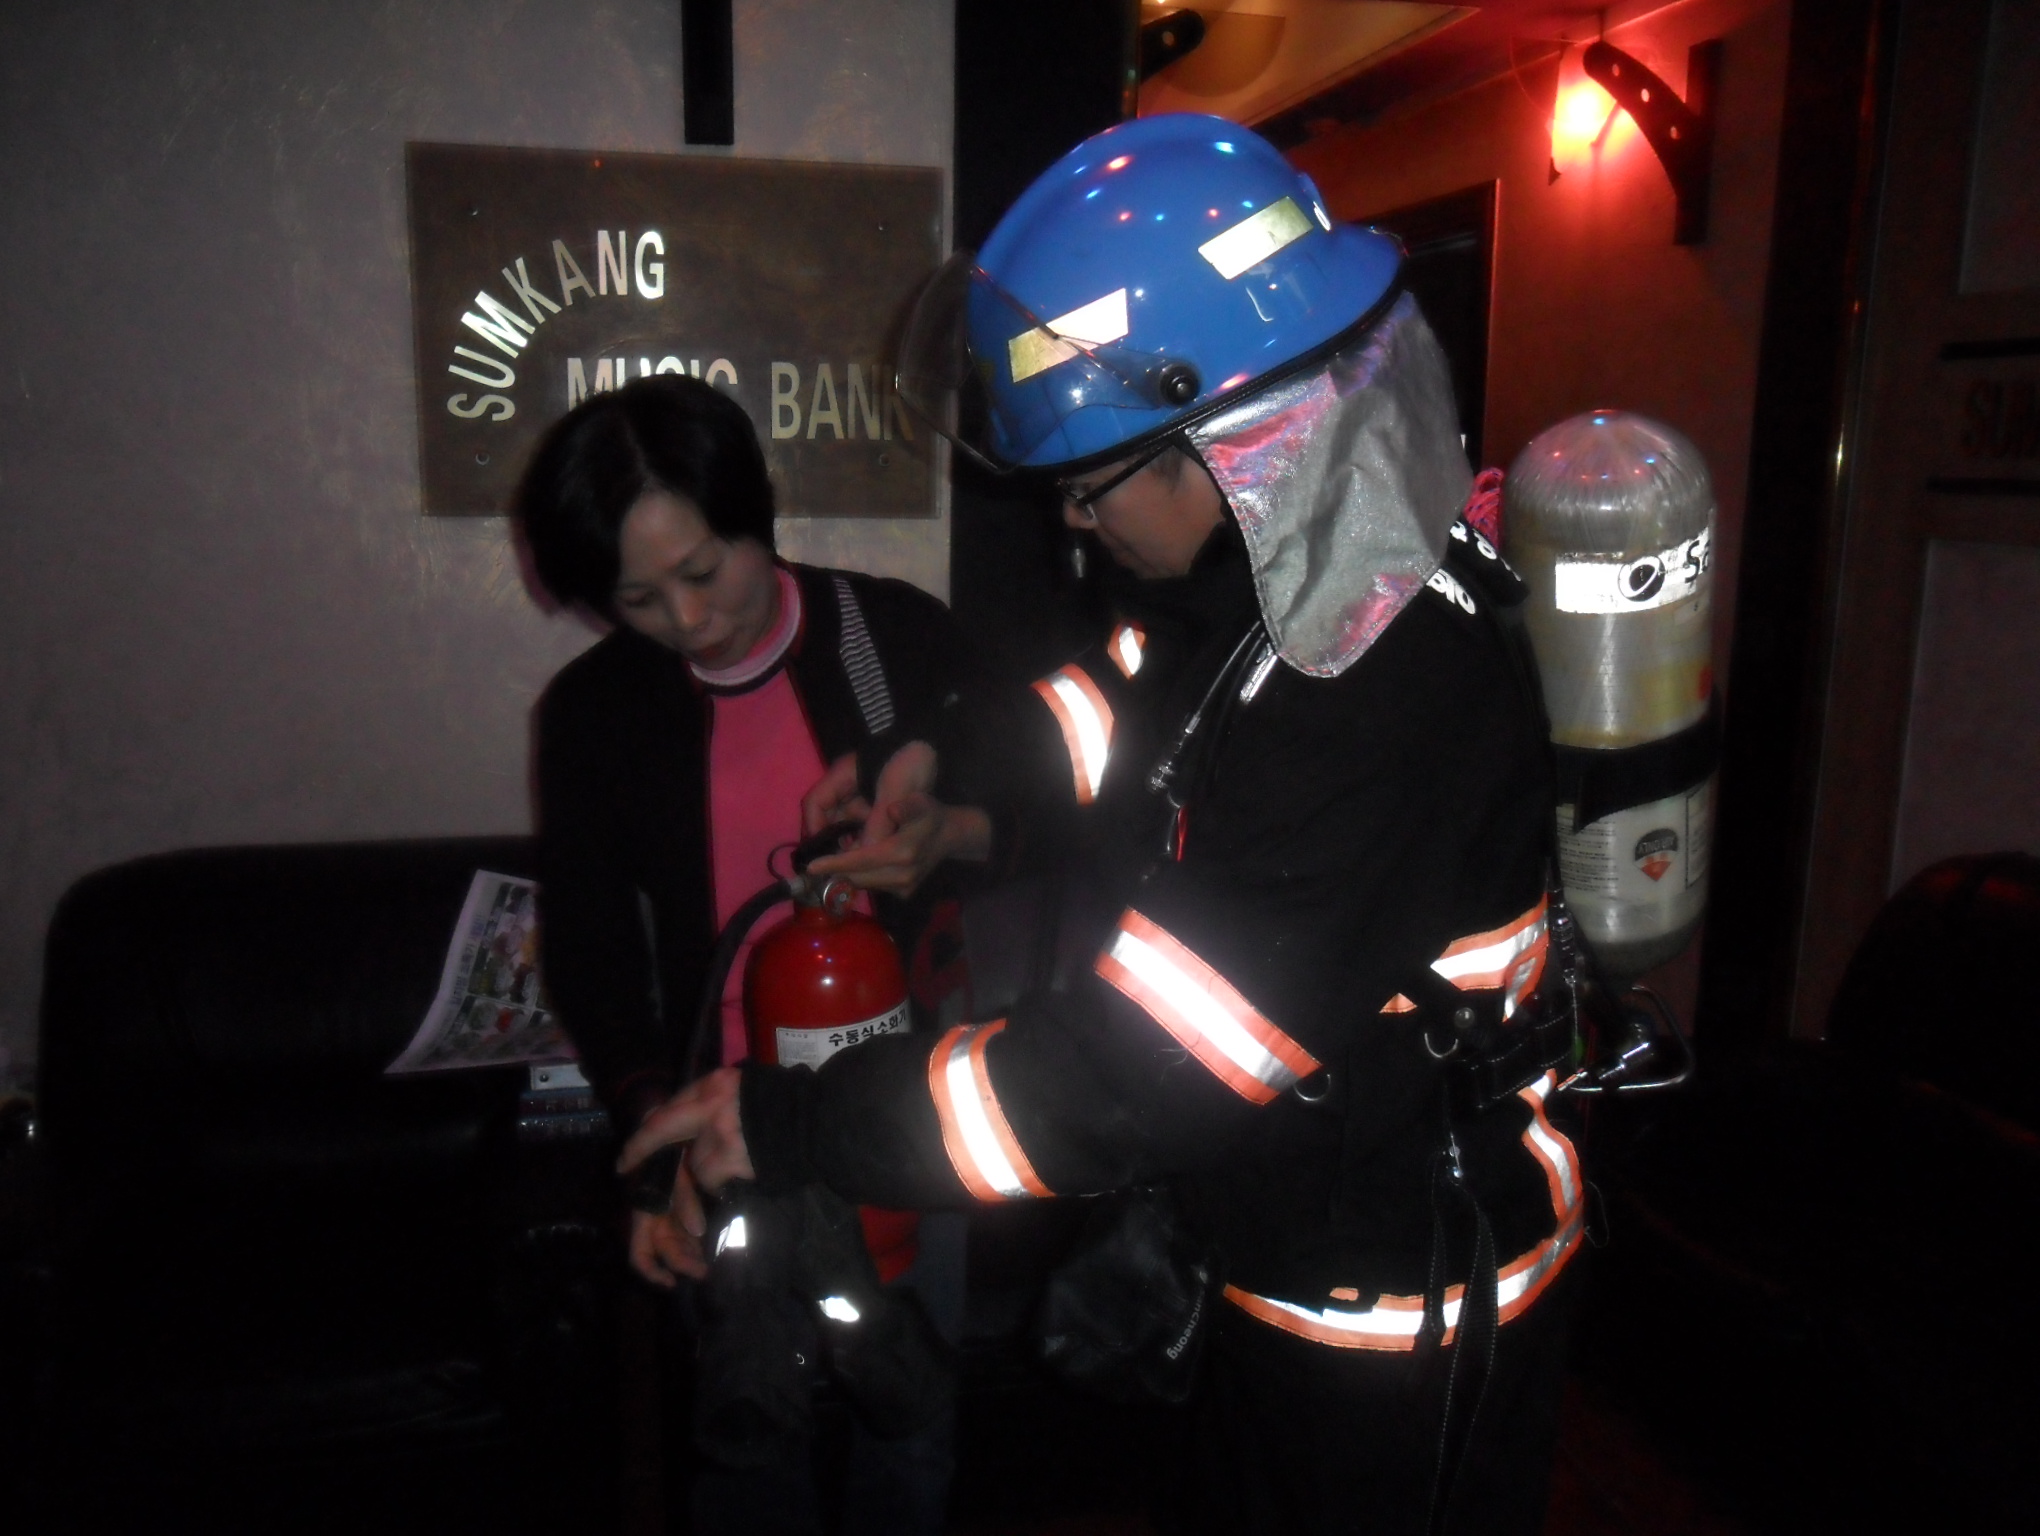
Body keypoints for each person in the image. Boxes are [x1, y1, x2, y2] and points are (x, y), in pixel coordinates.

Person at [622, 115, 1584, 1535]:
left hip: (1395, 1329)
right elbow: (1122, 713)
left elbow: (1131, 1080)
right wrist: (937, 769)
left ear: (1221, 434)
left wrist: (797, 1122)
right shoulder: (1271, 586)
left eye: (1087, 484)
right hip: (1288, 1249)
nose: (1073, 525)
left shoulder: (1375, 682)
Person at [515, 374, 990, 1535]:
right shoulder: (593, 714)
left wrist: (946, 838)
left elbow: (1021, 831)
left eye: (702, 570)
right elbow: (592, 949)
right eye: (637, 599)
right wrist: (652, 1151)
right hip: (721, 1127)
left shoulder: (892, 641)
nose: (687, 621)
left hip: (900, 1109)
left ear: (752, 516)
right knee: (745, 1443)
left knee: (908, 1424)